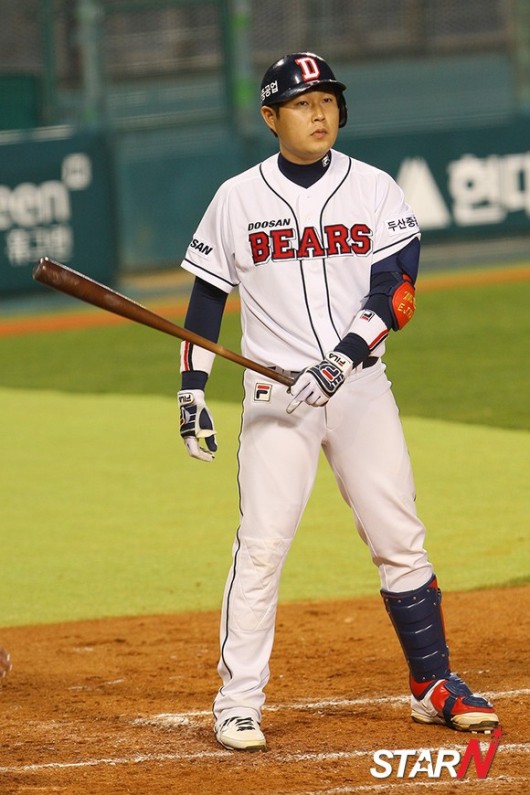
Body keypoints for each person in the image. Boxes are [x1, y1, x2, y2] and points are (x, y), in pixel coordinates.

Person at [177, 52, 499, 751]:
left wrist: (340, 360)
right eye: (302, 103)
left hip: (359, 389)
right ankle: (238, 702)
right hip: (275, 397)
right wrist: (191, 388)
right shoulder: (237, 198)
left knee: (399, 537)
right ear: (271, 117)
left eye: (326, 99)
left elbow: (396, 292)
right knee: (262, 546)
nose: (318, 112)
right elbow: (207, 298)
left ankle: (433, 685)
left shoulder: (375, 189)